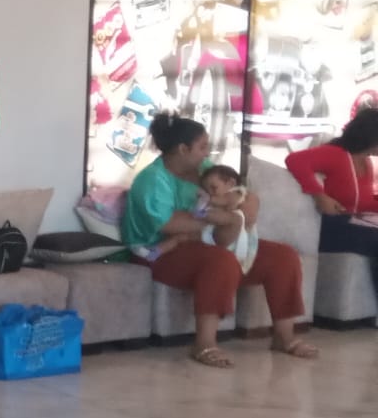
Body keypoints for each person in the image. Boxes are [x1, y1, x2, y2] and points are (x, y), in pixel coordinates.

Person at [123, 112, 318, 369]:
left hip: (208, 243)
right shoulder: (151, 179)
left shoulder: (205, 170)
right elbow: (170, 224)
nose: (207, 152)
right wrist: (227, 219)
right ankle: (204, 343)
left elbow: (242, 195)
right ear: (183, 149)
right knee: (220, 260)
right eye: (202, 147)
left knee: (283, 257)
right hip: (160, 252)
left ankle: (284, 336)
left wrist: (242, 209)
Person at [286, 106, 378, 298]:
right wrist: (319, 195)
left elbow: (362, 203)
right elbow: (294, 160)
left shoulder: (367, 163)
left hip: (354, 225)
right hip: (330, 228)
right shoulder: (335, 154)